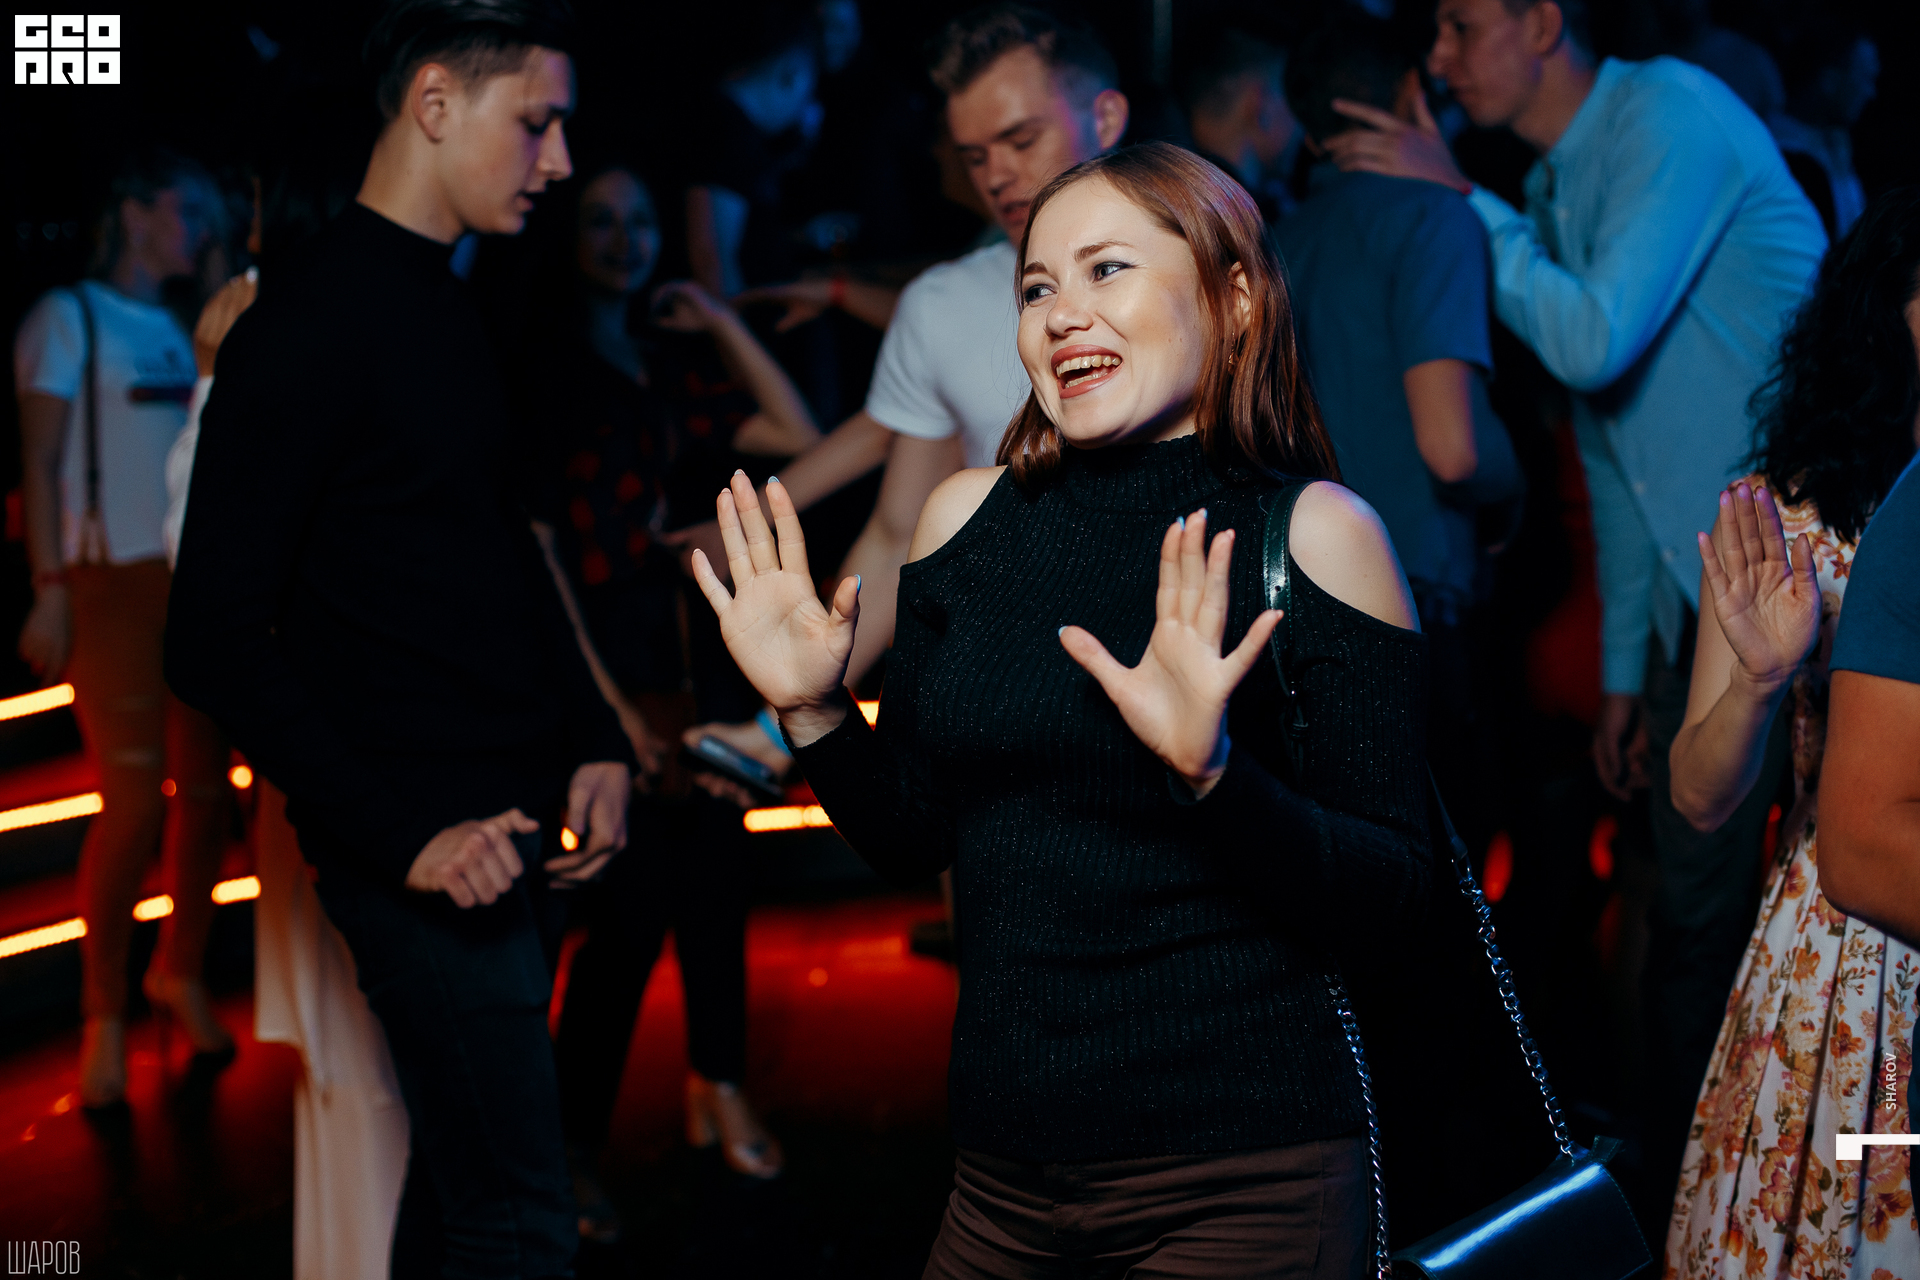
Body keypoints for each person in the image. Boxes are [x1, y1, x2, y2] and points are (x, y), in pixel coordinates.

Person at [693, 140, 1430, 1277]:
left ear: (1234, 297)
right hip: (1001, 1179)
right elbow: (913, 834)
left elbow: (1393, 898)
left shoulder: (1318, 536)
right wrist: (814, 707)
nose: (1061, 314)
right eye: (1037, 286)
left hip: (1242, 1181)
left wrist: (1215, 778)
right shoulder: (965, 522)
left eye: (1107, 270)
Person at [1323, 0, 1828, 1225]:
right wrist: (1619, 671)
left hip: (1824, 573)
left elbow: (1596, 342)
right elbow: (1619, 454)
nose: (1439, 60)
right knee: (1685, 907)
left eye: (1460, 26)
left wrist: (1461, 195)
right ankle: (1683, 1189)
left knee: (1798, 906)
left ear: (1543, 20)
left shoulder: (1669, 113)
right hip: (1709, 598)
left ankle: (1749, 1194)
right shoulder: (1555, 185)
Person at [164, 2, 634, 1275]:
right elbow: (209, 639)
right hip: (425, 850)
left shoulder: (453, 301)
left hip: (510, 823)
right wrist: (402, 836)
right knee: (521, 1224)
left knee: (464, 1198)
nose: (559, 161)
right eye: (535, 123)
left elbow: (500, 553)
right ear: (435, 104)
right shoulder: (303, 326)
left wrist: (593, 737)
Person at [669, 3, 1130, 774]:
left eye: (1022, 140)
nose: (998, 175)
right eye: (975, 154)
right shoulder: (941, 305)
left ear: (1106, 117)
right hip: (1021, 711)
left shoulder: (1197, 272)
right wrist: (783, 724)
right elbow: (895, 538)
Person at [500, 158, 815, 1235]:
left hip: (700, 663)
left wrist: (719, 319)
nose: (625, 239)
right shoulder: (544, 373)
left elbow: (797, 434)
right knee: (628, 920)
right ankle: (570, 1147)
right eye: (602, 221)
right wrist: (606, 712)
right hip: (604, 669)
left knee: (718, 888)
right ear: (568, 235)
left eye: (639, 221)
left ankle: (717, 1085)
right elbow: (540, 551)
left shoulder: (672, 361)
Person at [163, 87, 409, 1280]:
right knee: (359, 1071)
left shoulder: (293, 328)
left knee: (363, 1072)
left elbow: (201, 561)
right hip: (340, 755)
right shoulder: (319, 322)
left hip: (346, 755)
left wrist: (217, 378)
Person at [1663, 188, 1920, 1279]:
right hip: (1859, 946)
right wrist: (1761, 684)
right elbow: (1699, 795)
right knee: (1871, 1184)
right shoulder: (1792, 520)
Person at [12, 147, 233, 1110]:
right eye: (187, 210)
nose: (200, 228)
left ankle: (179, 972)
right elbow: (39, 460)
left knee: (209, 799)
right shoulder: (68, 317)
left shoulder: (187, 325)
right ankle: (102, 1011)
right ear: (136, 214)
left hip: (192, 583)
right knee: (135, 799)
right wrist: (49, 584)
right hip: (106, 582)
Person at [1275, 12, 1523, 847]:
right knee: (1449, 862)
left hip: (1292, 597)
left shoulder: (1272, 241)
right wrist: (1515, 485)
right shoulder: (1433, 219)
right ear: (1415, 93)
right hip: (1413, 596)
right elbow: (1453, 449)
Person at [1179, 28, 1300, 225]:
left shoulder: (1170, 192)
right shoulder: (1258, 224)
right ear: (1260, 104)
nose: (1300, 120)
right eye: (1291, 98)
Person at [1771, 22, 1879, 241]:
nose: (1871, 93)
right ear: (1829, 79)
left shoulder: (1839, 149)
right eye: (1864, 78)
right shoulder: (1782, 151)